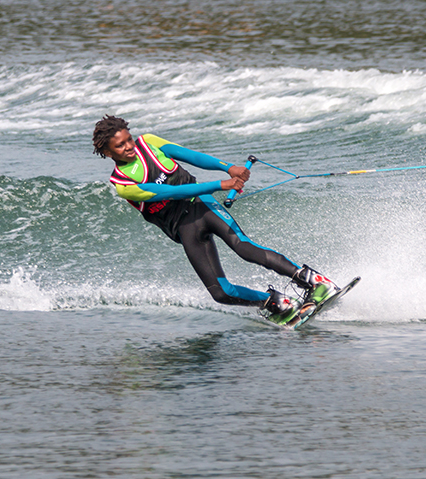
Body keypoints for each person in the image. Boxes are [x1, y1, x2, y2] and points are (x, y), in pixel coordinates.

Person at [91, 115, 339, 325]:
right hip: (183, 228)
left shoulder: (148, 143)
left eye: (128, 140)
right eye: (120, 146)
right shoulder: (123, 184)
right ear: (106, 152)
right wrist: (221, 184)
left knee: (244, 248)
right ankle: (276, 303)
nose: (129, 147)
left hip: (202, 206)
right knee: (220, 293)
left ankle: (315, 282)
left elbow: (191, 156)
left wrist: (228, 167)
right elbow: (170, 192)